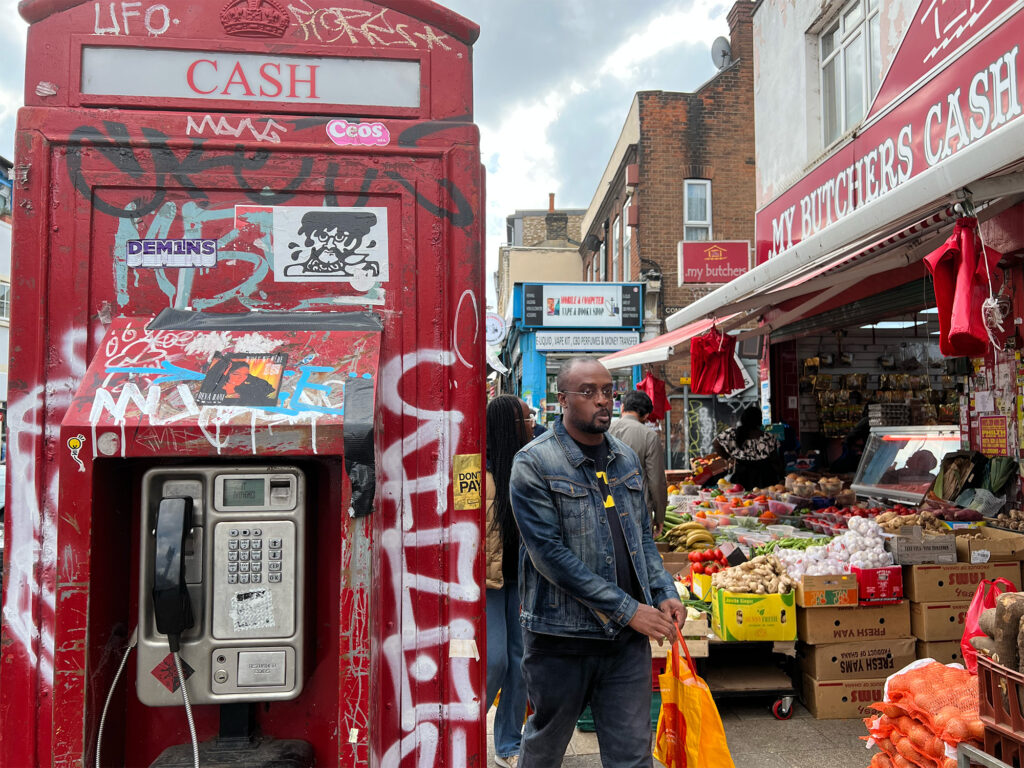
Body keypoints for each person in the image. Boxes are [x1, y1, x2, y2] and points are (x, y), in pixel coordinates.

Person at [510, 357, 684, 768]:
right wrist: (629, 611)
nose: (602, 401)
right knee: (545, 750)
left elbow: (642, 536)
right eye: (588, 392)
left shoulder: (625, 457)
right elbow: (549, 556)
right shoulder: (534, 463)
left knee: (631, 756)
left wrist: (663, 590)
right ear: (562, 400)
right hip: (560, 639)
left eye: (608, 391)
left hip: (624, 646)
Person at [485, 395, 533, 768]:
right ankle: (466, 725)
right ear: (508, 425)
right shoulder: (477, 470)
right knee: (495, 661)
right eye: (525, 418)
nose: (532, 423)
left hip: (522, 579)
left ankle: (507, 743)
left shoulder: (529, 463)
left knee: (520, 663)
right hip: (486, 582)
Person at [609, 391, 668, 537]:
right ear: (646, 416)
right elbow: (657, 481)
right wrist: (660, 517)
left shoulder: (605, 431)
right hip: (638, 511)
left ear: (622, 408)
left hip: (607, 509)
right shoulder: (650, 436)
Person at [713, 406, 784, 490]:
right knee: (762, 501)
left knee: (742, 500)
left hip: (741, 478)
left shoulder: (732, 434)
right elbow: (775, 460)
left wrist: (729, 458)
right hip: (764, 479)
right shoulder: (768, 438)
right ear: (759, 420)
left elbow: (716, 444)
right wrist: (782, 475)